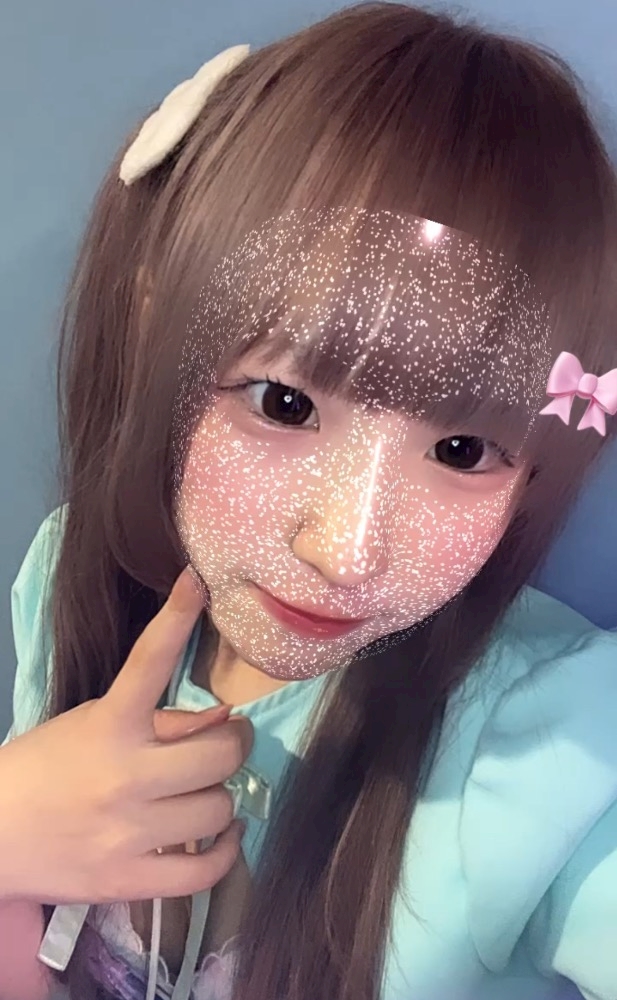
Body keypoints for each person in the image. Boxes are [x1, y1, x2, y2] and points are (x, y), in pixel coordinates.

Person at [1, 3, 617, 999]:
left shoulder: (553, 742)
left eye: (461, 449)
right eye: (283, 402)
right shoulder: (65, 578)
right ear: (157, 334)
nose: (346, 551)